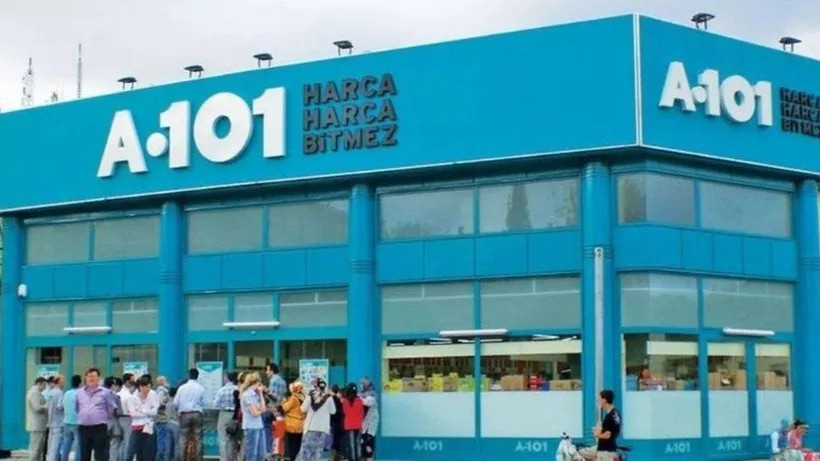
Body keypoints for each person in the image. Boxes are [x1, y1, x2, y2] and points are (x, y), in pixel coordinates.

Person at [76, 368, 118, 461]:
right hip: (84, 428)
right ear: (86, 378)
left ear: (98, 378)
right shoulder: (79, 392)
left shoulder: (105, 392)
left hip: (99, 427)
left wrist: (100, 416)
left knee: (100, 455)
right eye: (89, 376)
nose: (91, 379)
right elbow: (77, 408)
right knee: (84, 454)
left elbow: (111, 408)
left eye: (94, 376)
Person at [295, 378, 336, 461]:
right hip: (323, 429)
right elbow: (333, 411)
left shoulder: (311, 395)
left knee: (306, 451)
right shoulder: (328, 397)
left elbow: (303, 409)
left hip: (311, 427)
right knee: (317, 451)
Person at [174, 368, 205, 461]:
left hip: (184, 414)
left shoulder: (182, 388)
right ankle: (198, 458)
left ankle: (182, 458)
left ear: (189, 376)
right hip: (197, 414)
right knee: (198, 438)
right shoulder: (201, 388)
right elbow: (204, 403)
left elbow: (175, 403)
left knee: (183, 438)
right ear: (197, 376)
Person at [125, 376, 159, 461]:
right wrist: (148, 411)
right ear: (140, 387)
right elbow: (133, 414)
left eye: (149, 387)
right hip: (137, 427)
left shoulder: (153, 394)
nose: (148, 389)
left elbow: (155, 412)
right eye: (146, 387)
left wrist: (142, 410)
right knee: (131, 450)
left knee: (148, 452)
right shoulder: (133, 397)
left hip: (149, 426)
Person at [584, 389, 621, 461]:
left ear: (604, 400)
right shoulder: (616, 413)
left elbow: (608, 435)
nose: (598, 401)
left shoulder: (610, 416)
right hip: (609, 449)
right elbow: (615, 430)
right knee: (582, 453)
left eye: (599, 399)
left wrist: (597, 434)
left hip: (605, 452)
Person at [240, 373, 266, 461]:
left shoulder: (255, 395)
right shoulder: (247, 395)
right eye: (259, 383)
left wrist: (261, 394)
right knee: (252, 453)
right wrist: (259, 410)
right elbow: (254, 413)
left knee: (261, 454)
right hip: (251, 426)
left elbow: (263, 408)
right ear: (255, 383)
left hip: (259, 425)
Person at [214, 371, 238, 461]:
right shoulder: (237, 389)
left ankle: (224, 458)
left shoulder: (222, 390)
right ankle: (232, 458)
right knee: (233, 438)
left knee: (223, 438)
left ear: (227, 378)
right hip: (235, 415)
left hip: (224, 414)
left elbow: (216, 403)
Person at [60, 375, 82, 461]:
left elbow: (62, 406)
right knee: (79, 444)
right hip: (77, 422)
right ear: (80, 383)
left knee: (66, 443)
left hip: (67, 421)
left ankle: (63, 459)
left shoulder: (66, 393)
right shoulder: (81, 393)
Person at [282, 381, 306, 461]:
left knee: (292, 445)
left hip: (292, 425)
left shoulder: (294, 398)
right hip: (301, 424)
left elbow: (285, 408)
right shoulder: (303, 397)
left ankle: (293, 459)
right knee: (298, 444)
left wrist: (284, 401)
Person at [27, 377, 49, 461]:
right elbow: (36, 407)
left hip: (39, 425)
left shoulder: (36, 392)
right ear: (39, 384)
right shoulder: (34, 393)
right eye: (44, 385)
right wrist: (46, 406)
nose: (45, 388)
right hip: (37, 425)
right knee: (36, 449)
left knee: (38, 449)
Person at [340, 383, 364, 461]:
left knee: (351, 444)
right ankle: (359, 458)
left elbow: (344, 412)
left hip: (349, 425)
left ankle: (353, 459)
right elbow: (362, 413)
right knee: (358, 443)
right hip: (358, 425)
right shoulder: (360, 401)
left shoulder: (345, 401)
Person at [359, 377, 379, 461]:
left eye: (362, 384)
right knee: (363, 448)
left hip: (370, 426)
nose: (361, 386)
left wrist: (357, 398)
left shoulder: (372, 395)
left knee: (369, 449)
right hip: (364, 426)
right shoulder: (362, 395)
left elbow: (367, 402)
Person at [47, 375, 66, 461]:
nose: (64, 382)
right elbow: (59, 407)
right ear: (59, 382)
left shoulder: (50, 393)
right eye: (63, 381)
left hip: (51, 422)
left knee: (51, 445)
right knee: (56, 445)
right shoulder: (60, 393)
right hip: (58, 422)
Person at [117, 375, 136, 461]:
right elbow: (132, 411)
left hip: (118, 418)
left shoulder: (118, 394)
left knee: (119, 441)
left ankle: (119, 458)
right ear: (128, 382)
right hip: (128, 418)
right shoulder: (129, 396)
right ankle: (126, 458)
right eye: (132, 381)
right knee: (128, 440)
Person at [154, 376, 172, 461]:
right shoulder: (161, 391)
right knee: (162, 439)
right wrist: (166, 403)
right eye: (165, 380)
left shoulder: (161, 391)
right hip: (162, 418)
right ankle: (160, 457)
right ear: (162, 382)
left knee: (162, 438)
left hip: (162, 418)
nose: (167, 382)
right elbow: (159, 404)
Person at [328, 385, 344, 461]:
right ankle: (335, 457)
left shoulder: (334, 399)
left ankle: (333, 457)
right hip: (338, 422)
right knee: (336, 440)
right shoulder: (338, 400)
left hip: (335, 423)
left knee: (334, 440)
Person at [166, 387, 181, 461]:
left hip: (168, 424)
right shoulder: (176, 403)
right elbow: (179, 414)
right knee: (177, 444)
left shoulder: (167, 404)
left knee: (168, 444)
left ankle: (167, 458)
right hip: (176, 424)